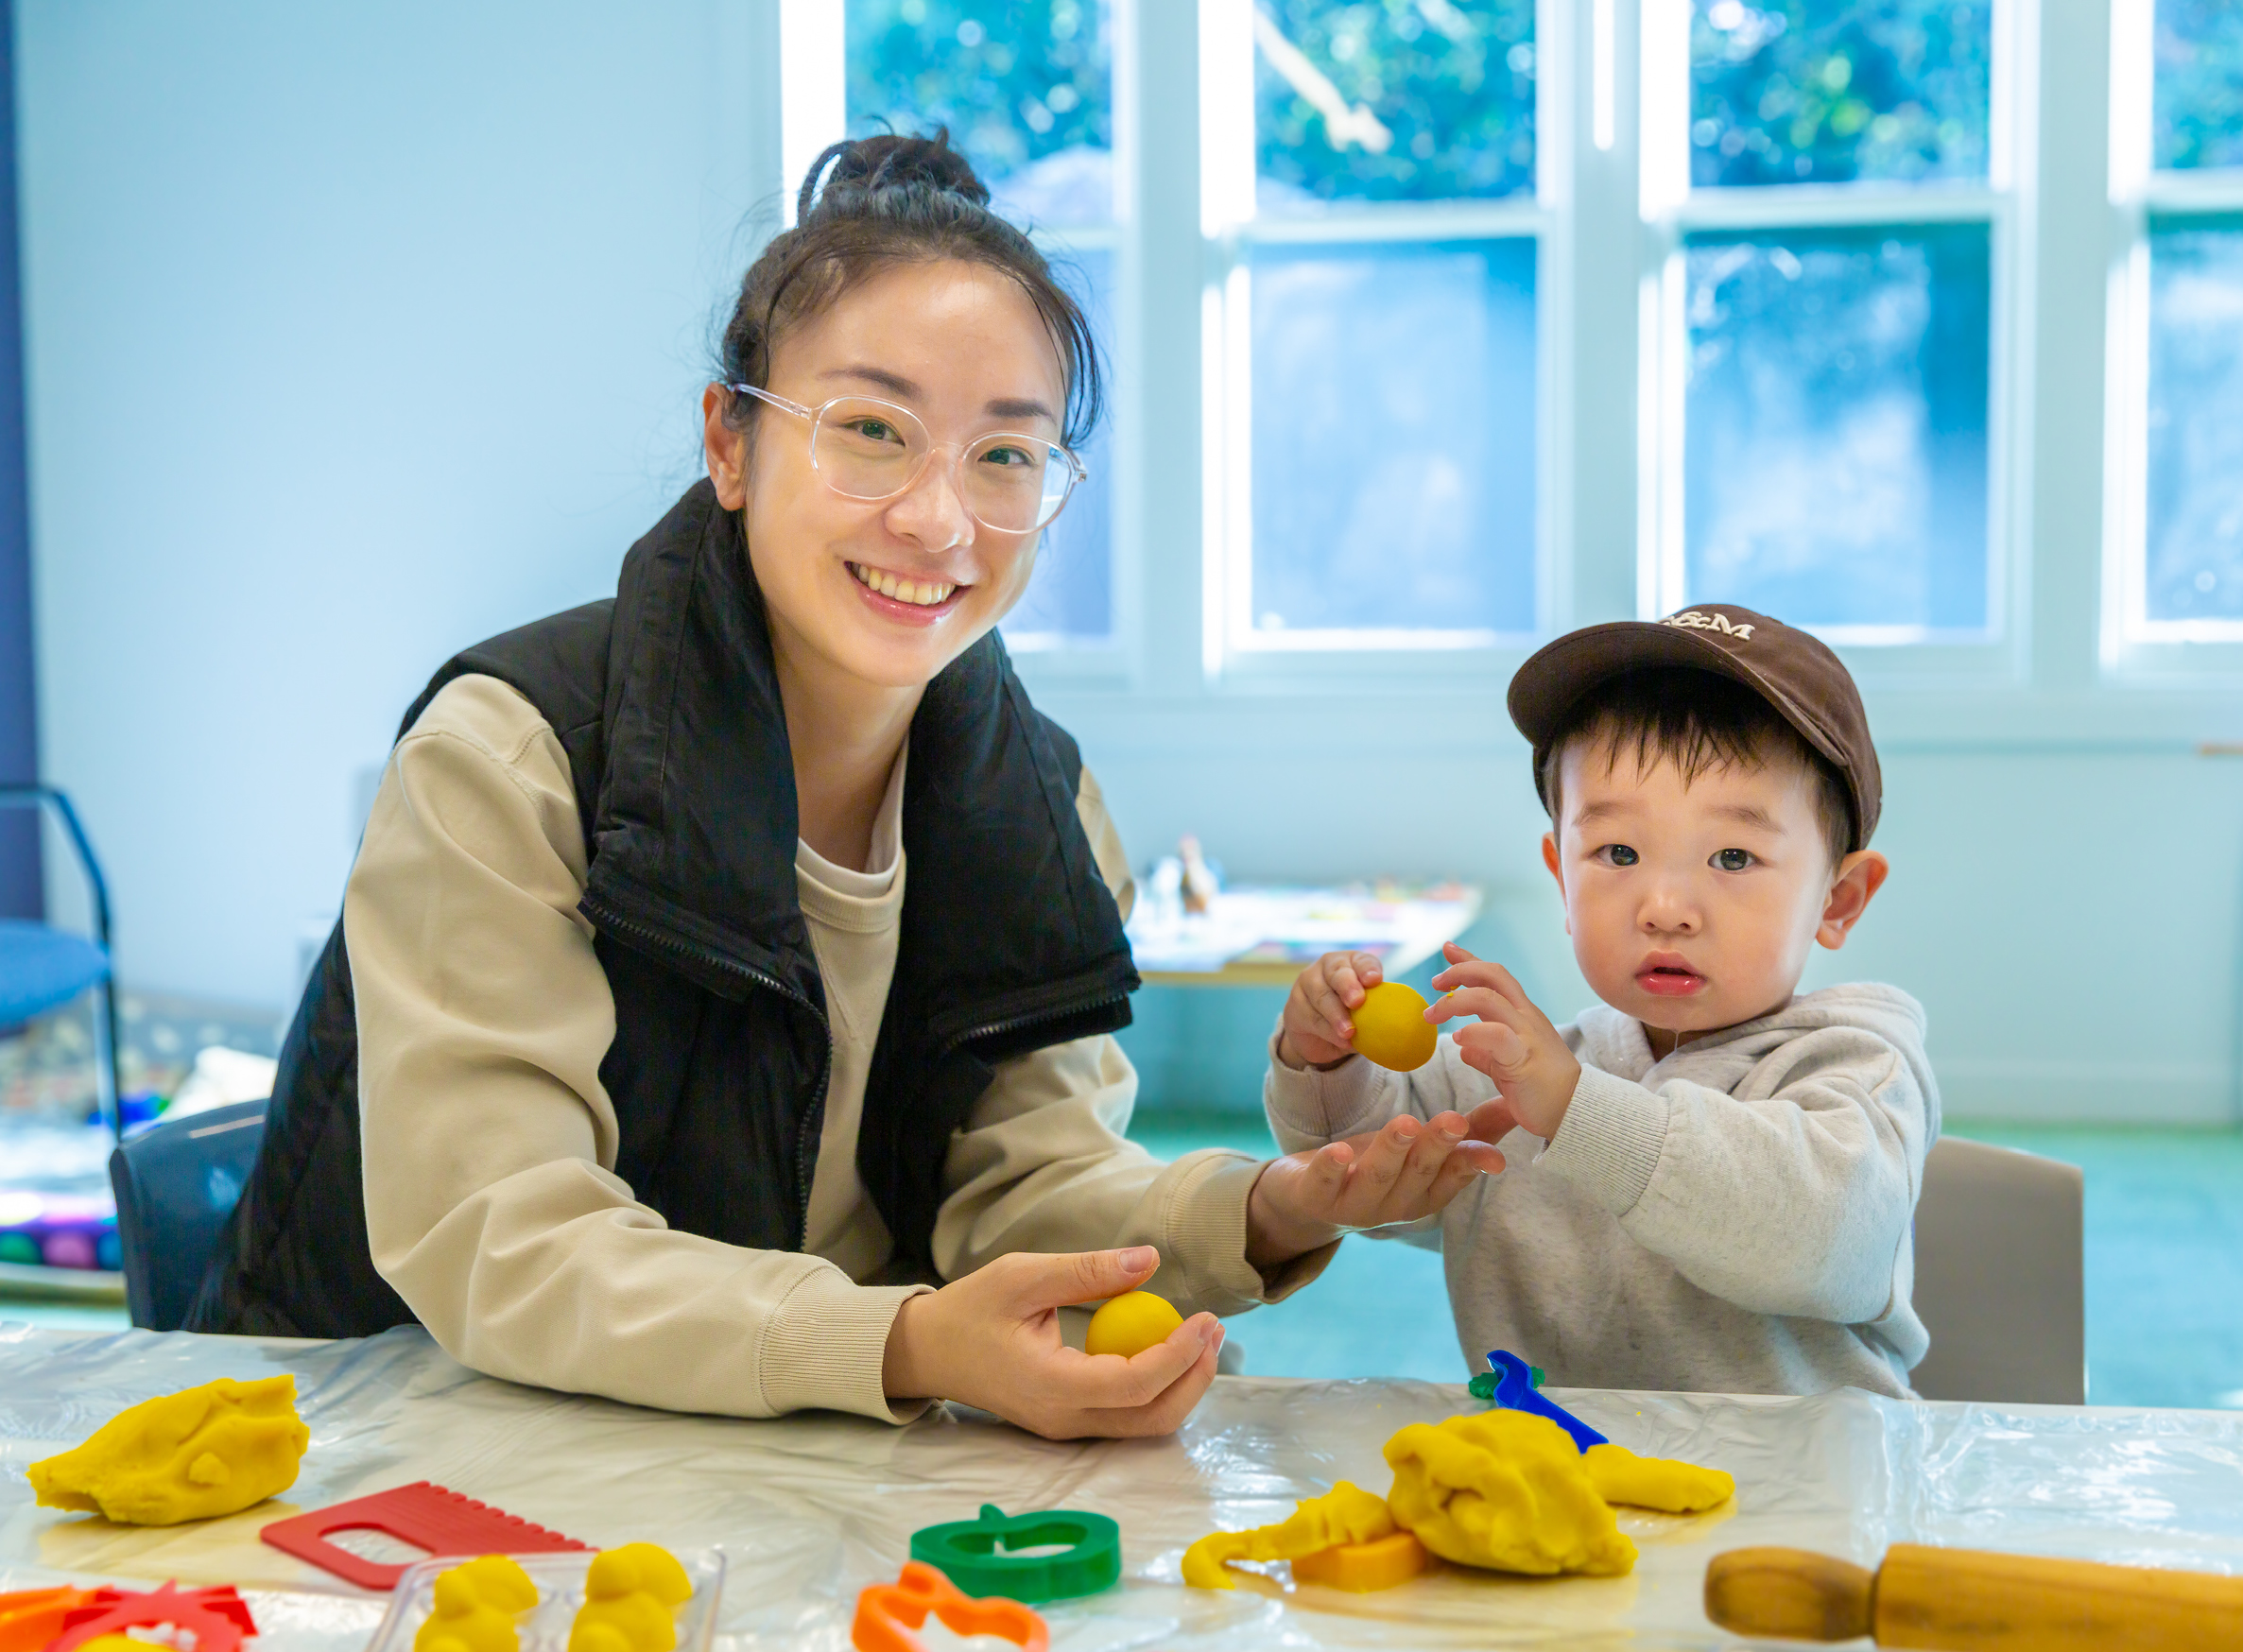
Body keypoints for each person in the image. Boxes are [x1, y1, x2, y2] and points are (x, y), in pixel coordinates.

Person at [191, 131, 1497, 1437]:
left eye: (1006, 456)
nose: (939, 519)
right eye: (871, 431)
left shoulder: (1035, 795)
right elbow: (507, 1244)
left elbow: (1020, 1186)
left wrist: (1262, 1208)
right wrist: (907, 1339)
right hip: (385, 1455)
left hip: (776, 1458)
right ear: (731, 443)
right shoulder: (513, 756)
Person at [1264, 605, 1938, 1398]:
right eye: (1617, 852)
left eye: (1732, 856)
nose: (1664, 907)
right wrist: (1325, 1060)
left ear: (1839, 900)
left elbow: (1822, 1242)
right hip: (1567, 1492)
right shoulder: (1523, 1072)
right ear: (1561, 875)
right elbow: (1364, 1171)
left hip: (1803, 1496)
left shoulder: (1856, 1062)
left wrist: (1578, 1110)